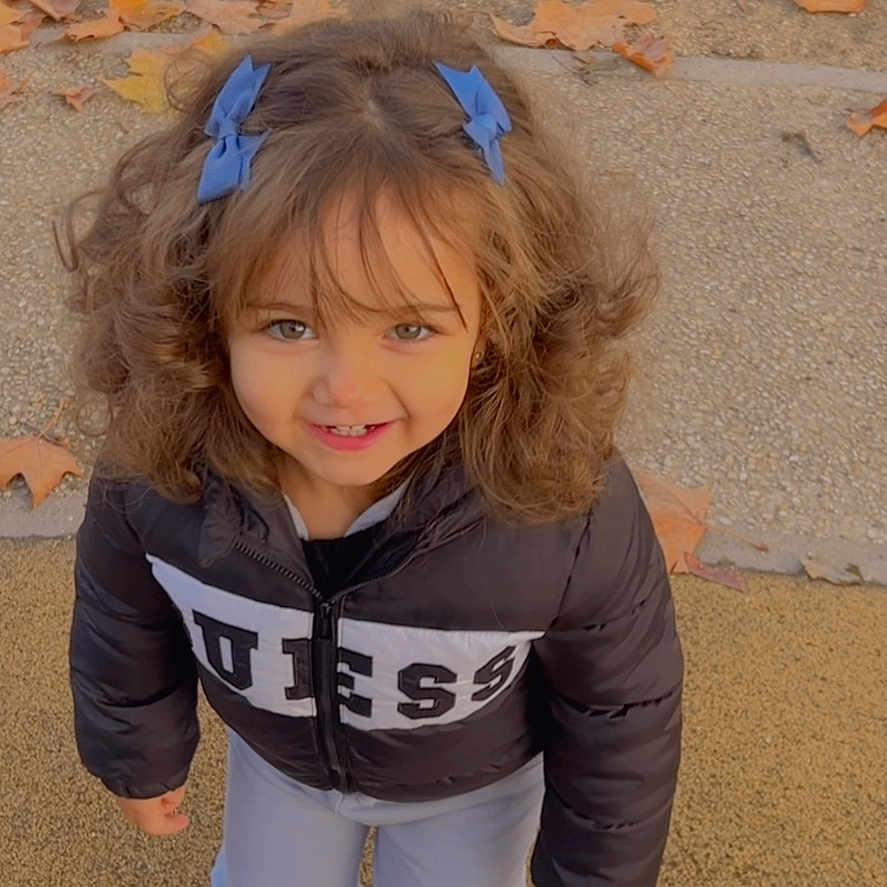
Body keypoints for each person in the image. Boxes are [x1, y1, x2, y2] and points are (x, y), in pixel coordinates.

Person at [59, 10, 683, 887]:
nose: (345, 388)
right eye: (287, 323)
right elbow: (123, 612)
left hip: (474, 789)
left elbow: (621, 707)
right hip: (282, 770)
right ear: (201, 313)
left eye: (408, 326)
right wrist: (136, 751)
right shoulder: (159, 468)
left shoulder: (560, 502)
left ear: (497, 322)